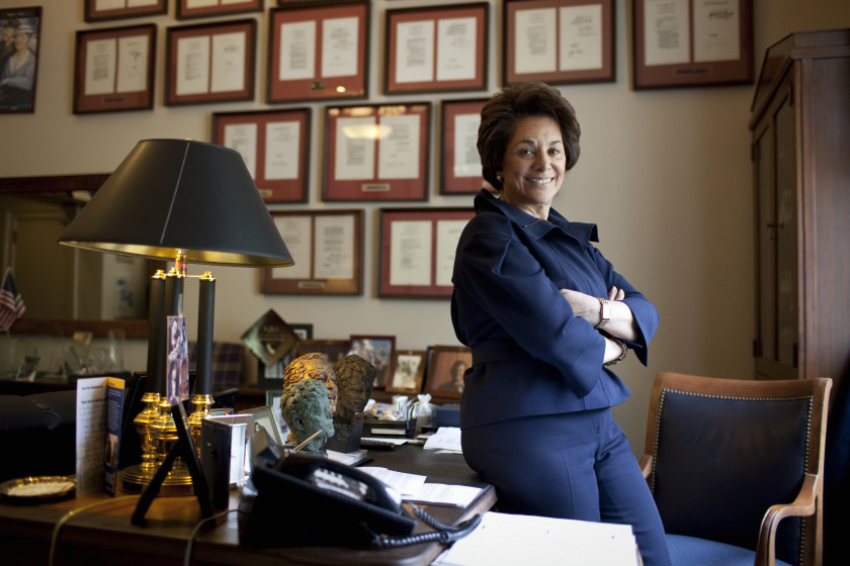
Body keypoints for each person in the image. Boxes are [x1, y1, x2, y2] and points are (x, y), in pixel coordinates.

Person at [450, 82, 670, 566]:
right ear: (499, 161)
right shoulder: (489, 235)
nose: (543, 163)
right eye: (526, 150)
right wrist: (615, 343)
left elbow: (646, 312)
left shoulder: (571, 241)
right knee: (582, 561)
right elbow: (558, 336)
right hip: (530, 427)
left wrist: (597, 312)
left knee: (652, 556)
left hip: (597, 421)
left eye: (554, 150)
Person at [0, 23, 36, 108]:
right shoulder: (10, 58)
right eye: (16, 37)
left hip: (23, 104)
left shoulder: (31, 59)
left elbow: (28, 82)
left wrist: (9, 80)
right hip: (5, 104)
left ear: (28, 39)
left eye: (22, 37)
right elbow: (2, 79)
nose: (18, 40)